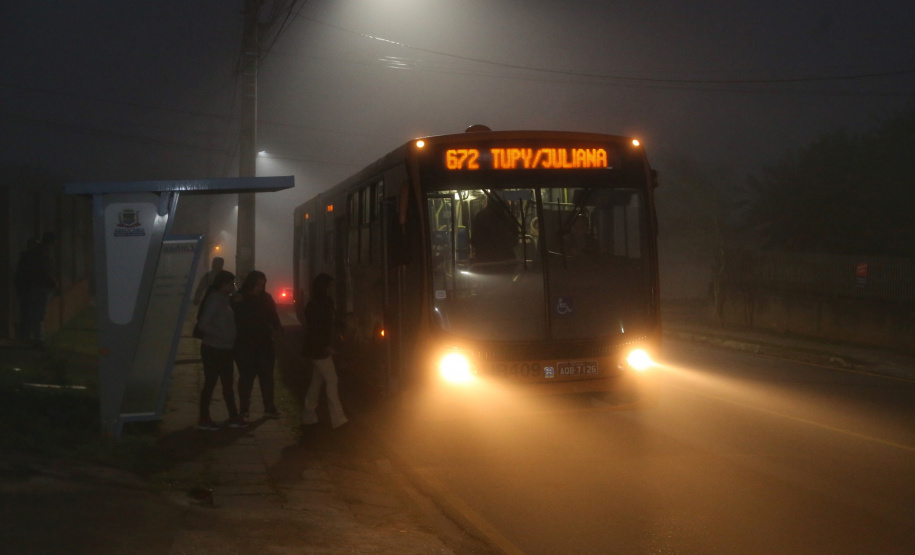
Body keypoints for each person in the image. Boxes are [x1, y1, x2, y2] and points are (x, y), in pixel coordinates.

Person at [195, 270, 246, 430]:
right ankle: (204, 418)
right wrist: (223, 335)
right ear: (223, 284)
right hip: (213, 348)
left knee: (227, 384)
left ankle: (233, 417)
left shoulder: (223, 299)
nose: (233, 287)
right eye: (231, 284)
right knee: (211, 383)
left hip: (224, 348)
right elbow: (203, 325)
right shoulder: (215, 301)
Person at [232, 270, 283, 419]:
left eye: (263, 285)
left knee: (266, 376)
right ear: (251, 284)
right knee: (246, 377)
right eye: (258, 285)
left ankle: (269, 406)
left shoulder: (266, 298)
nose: (260, 288)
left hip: (264, 343)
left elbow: (273, 316)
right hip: (245, 344)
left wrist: (278, 328)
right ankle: (244, 407)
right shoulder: (240, 299)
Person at [301, 273, 348, 429]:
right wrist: (326, 345)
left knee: (317, 380)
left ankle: (309, 415)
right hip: (319, 349)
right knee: (332, 380)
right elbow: (317, 329)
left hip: (315, 348)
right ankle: (338, 419)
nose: (332, 289)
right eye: (330, 286)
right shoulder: (320, 305)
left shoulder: (319, 303)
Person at [20, 232, 58, 348]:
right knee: (39, 313)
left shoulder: (38, 251)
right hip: (42, 285)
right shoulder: (42, 252)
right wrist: (53, 281)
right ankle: (38, 339)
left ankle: (34, 337)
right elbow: (43, 270)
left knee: (37, 311)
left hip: (38, 285)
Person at [469, 195, 517, 267]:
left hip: (485, 263)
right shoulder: (509, 217)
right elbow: (515, 240)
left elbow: (474, 241)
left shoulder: (480, 216)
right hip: (506, 262)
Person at [14, 237, 39, 341]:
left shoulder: (25, 256)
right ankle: (25, 335)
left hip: (25, 287)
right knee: (28, 312)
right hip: (28, 287)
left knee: (26, 312)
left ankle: (25, 334)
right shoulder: (30, 257)